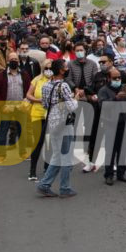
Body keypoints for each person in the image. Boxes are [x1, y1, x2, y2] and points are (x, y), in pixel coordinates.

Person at [36, 59, 79, 198]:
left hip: (52, 123)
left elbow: (44, 105)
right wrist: (76, 98)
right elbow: (71, 106)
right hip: (64, 124)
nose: (67, 69)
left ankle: (45, 184)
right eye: (66, 67)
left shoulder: (46, 85)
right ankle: (64, 187)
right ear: (61, 70)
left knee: (57, 155)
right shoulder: (64, 86)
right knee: (66, 157)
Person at [97, 67, 126, 185]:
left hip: (124, 122)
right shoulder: (103, 90)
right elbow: (102, 105)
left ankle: (121, 172)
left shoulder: (123, 88)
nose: (118, 80)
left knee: (123, 149)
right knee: (111, 149)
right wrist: (115, 98)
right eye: (115, 78)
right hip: (110, 123)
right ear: (109, 78)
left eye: (119, 78)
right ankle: (108, 174)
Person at [0, 52, 32, 163]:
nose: (14, 61)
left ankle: (23, 152)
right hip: (6, 107)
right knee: (3, 131)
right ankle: (1, 155)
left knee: (22, 131)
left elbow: (29, 90)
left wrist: (27, 102)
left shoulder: (24, 74)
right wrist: (1, 106)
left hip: (21, 107)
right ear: (8, 61)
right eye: (12, 59)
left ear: (18, 62)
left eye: (16, 59)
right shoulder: (1, 75)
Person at [25, 60, 54, 181]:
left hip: (51, 115)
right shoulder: (37, 80)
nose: (48, 70)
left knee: (49, 143)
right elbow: (28, 95)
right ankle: (32, 171)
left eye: (50, 68)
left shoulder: (56, 81)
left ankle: (47, 168)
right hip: (37, 114)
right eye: (46, 68)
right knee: (37, 143)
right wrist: (39, 100)